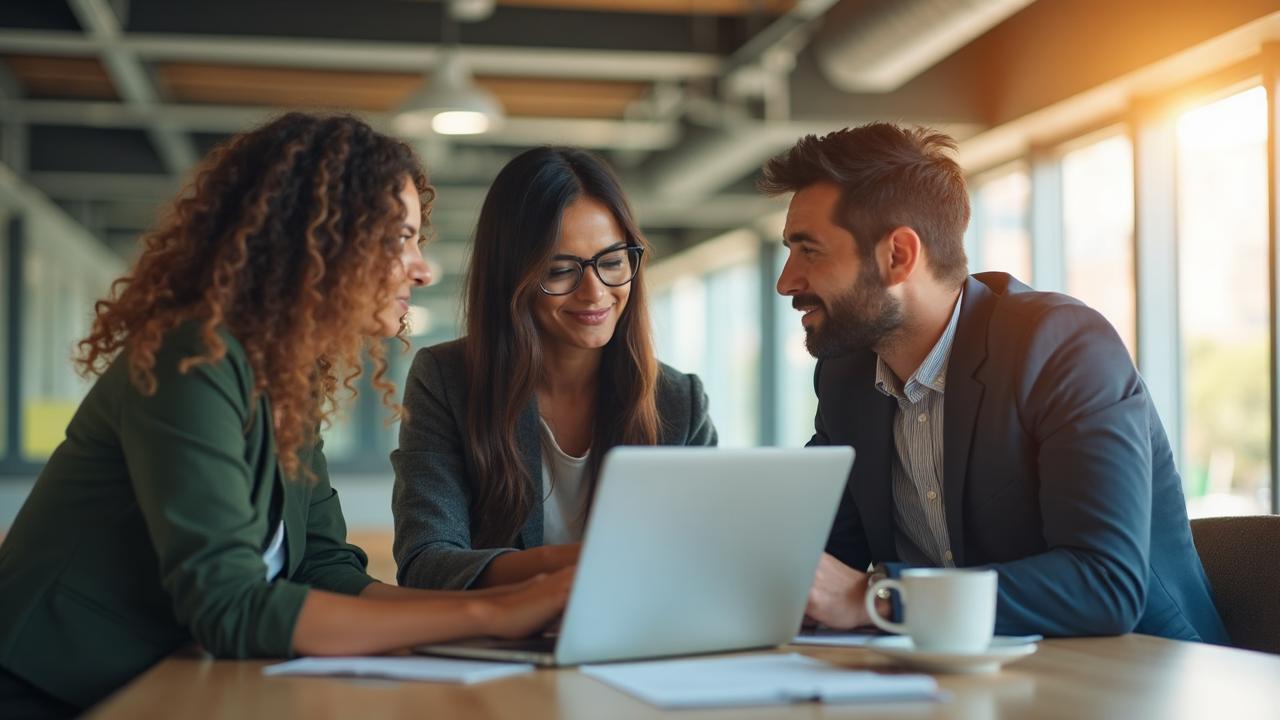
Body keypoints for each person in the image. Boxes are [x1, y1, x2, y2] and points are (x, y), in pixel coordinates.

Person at [0, 113, 571, 718]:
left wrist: (502, 616)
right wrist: (494, 613)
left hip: (154, 680)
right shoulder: (192, 356)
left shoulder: (284, 383)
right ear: (314, 242)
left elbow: (320, 567)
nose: (422, 267)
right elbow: (230, 606)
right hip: (47, 689)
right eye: (397, 239)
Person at [761, 123, 1229, 643]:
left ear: (898, 255)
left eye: (810, 251)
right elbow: (828, 565)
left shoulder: (1062, 347)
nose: (787, 281)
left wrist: (881, 598)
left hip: (1141, 677)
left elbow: (1105, 585)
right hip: (960, 678)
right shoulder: (847, 375)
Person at [392, 146, 717, 590]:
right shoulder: (447, 380)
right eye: (561, 270)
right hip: (499, 650)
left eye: (612, 262)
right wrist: (588, 562)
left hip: (638, 649)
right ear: (512, 277)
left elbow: (707, 556)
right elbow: (426, 562)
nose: (595, 292)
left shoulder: (679, 400)